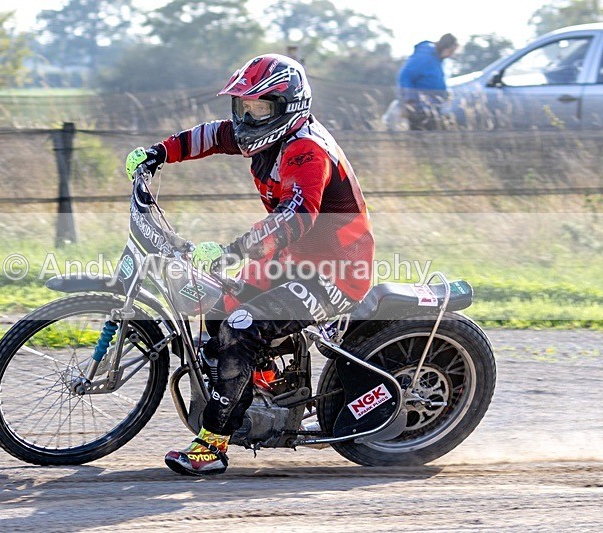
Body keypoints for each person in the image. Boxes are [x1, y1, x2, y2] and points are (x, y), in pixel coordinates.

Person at [125, 54, 374, 476]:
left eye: (259, 107)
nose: (246, 117)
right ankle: (259, 380)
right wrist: (157, 154)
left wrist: (234, 250)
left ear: (288, 106)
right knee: (216, 306)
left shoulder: (306, 150)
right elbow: (210, 135)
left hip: (335, 271)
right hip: (290, 260)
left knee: (242, 326)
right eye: (243, 106)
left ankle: (213, 443)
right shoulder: (262, 135)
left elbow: (297, 216)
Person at [397, 33, 459, 130]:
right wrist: (410, 100)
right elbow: (405, 77)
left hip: (433, 108)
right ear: (445, 47)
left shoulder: (438, 60)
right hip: (419, 108)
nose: (451, 55)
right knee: (419, 138)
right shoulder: (424, 57)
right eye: (451, 51)